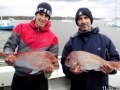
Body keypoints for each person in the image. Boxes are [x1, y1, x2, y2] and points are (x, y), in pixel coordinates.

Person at [3, 2, 59, 90]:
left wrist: (48, 71)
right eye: (41, 14)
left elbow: (53, 59)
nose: (43, 18)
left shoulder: (53, 38)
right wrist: (8, 55)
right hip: (19, 78)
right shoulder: (20, 28)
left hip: (40, 81)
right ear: (36, 14)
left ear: (49, 18)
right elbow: (9, 45)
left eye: (46, 16)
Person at [61, 7, 120, 90]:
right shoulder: (71, 43)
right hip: (78, 87)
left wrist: (111, 70)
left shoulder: (104, 40)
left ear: (91, 20)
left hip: (99, 86)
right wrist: (71, 71)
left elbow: (116, 60)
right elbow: (64, 65)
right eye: (80, 19)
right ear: (77, 22)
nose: (83, 21)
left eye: (86, 18)